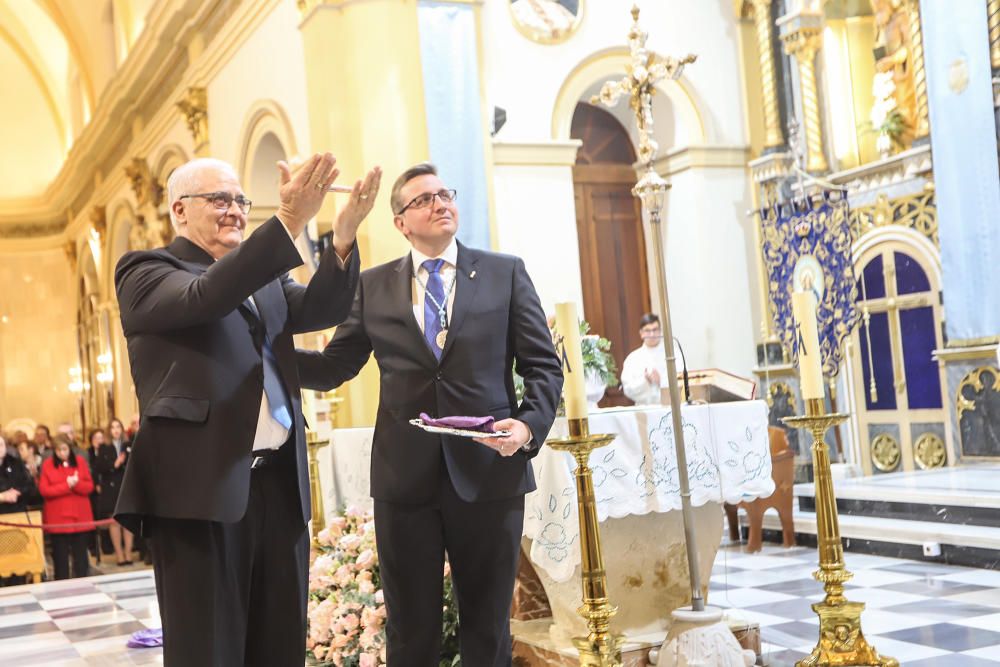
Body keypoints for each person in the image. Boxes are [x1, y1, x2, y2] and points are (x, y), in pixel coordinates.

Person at [114, 153, 380, 666]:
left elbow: (322, 307)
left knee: (279, 644)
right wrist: (287, 221)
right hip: (200, 491)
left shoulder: (264, 280)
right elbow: (205, 297)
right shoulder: (147, 270)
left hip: (278, 487)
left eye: (241, 199)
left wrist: (342, 237)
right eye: (219, 199)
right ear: (179, 210)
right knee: (209, 650)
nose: (235, 209)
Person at [297, 162, 562, 666]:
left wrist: (528, 425)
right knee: (410, 632)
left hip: (488, 474)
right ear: (400, 221)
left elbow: (544, 365)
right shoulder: (372, 286)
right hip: (405, 482)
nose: (440, 203)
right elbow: (336, 365)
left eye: (445, 194)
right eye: (423, 199)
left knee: (487, 631)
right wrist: (266, 358)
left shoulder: (504, 273)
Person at [39, 435, 95, 580]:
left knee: (80, 556)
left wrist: (76, 484)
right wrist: (67, 485)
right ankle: (61, 586)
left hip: (79, 516)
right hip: (57, 518)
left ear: (70, 449)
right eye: (58, 450)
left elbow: (89, 487)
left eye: (64, 449)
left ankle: (83, 583)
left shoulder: (80, 462)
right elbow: (44, 490)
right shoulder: (47, 465)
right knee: (60, 557)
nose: (62, 453)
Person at [91, 422, 134, 565]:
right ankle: (119, 554)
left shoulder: (128, 444)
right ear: (109, 431)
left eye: (118, 427)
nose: (115, 430)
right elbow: (98, 468)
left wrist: (124, 462)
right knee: (114, 521)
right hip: (111, 486)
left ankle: (128, 554)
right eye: (113, 428)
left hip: (127, 485)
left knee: (128, 521)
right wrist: (114, 465)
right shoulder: (104, 447)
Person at [620, 313, 680, 405]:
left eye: (655, 329)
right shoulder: (633, 358)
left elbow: (683, 381)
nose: (652, 334)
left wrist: (661, 381)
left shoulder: (673, 353)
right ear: (641, 333)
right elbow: (627, 389)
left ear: (660, 331)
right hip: (643, 410)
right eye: (647, 330)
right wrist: (645, 381)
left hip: (670, 406)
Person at [0, 435, 40, 514]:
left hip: (17, 511)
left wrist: (17, 492)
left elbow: (28, 485)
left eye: (1, 445)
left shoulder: (15, 463)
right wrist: (2, 497)